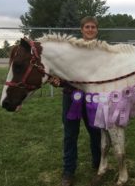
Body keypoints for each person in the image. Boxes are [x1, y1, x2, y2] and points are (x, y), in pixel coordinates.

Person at [49, 16, 101, 186]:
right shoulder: (71, 49)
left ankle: (99, 164)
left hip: (94, 98)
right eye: (87, 27)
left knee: (96, 133)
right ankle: (68, 172)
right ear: (82, 30)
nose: (90, 29)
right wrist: (58, 80)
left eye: (93, 27)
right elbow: (63, 71)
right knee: (70, 135)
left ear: (97, 30)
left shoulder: (102, 51)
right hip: (71, 97)